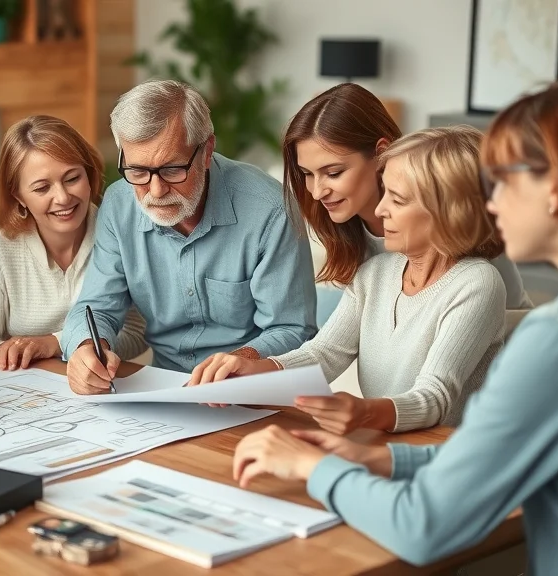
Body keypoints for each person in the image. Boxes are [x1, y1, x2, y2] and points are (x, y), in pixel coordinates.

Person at [230, 79, 558, 574]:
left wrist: (312, 467)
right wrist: (381, 461)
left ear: (555, 191)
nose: (488, 199)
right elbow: (492, 456)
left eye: (503, 181)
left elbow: (424, 525)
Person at [190, 127, 506, 433]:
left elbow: (435, 396)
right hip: (381, 443)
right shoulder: (375, 273)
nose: (381, 210)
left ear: (449, 210)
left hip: (441, 456)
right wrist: (256, 371)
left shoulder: (477, 283)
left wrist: (362, 412)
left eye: (397, 199)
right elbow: (323, 354)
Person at [59, 79, 317, 394]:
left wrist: (241, 361)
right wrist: (86, 346)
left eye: (171, 169)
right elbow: (97, 306)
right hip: (163, 391)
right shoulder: (118, 203)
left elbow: (291, 328)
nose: (155, 191)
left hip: (253, 393)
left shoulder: (271, 210)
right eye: (138, 171)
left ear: (207, 151)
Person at [282, 83, 530, 322]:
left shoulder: (446, 212)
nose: (316, 192)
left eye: (334, 173)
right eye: (307, 174)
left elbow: (512, 311)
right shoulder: (338, 228)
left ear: (381, 152)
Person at [0, 115, 147, 368]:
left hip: (107, 387)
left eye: (72, 178)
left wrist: (55, 343)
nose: (63, 198)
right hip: (31, 393)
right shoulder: (0, 249)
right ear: (18, 196)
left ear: (89, 174)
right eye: (42, 188)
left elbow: (139, 332)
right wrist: (11, 350)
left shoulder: (121, 233)